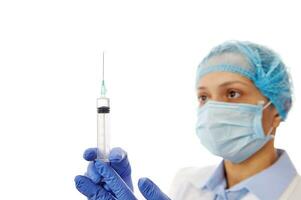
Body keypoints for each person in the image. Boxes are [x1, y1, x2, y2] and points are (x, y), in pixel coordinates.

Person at [74, 40, 301, 200]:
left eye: (232, 93)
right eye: (204, 97)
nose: (213, 108)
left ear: (279, 108)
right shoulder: (186, 183)